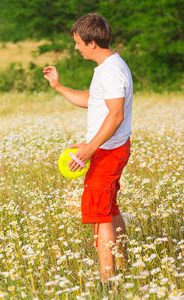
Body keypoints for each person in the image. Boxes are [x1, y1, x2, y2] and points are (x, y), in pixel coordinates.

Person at [43, 13, 133, 282]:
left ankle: (107, 281)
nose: (76, 47)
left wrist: (89, 148)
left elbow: (115, 115)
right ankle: (124, 266)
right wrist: (58, 87)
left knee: (100, 214)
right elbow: (93, 102)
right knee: (110, 209)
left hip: (107, 152)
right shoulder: (107, 67)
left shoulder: (113, 71)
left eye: (79, 42)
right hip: (107, 148)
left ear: (92, 43)